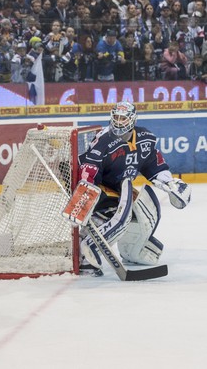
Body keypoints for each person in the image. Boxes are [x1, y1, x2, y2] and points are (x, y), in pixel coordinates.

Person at [78, 102, 191, 276]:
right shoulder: (104, 139)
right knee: (113, 215)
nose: (118, 122)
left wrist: (169, 184)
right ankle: (86, 254)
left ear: (132, 119)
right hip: (99, 187)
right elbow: (89, 168)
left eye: (123, 118)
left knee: (146, 210)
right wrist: (86, 196)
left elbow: (155, 166)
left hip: (120, 188)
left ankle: (133, 251)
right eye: (116, 117)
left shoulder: (145, 138)